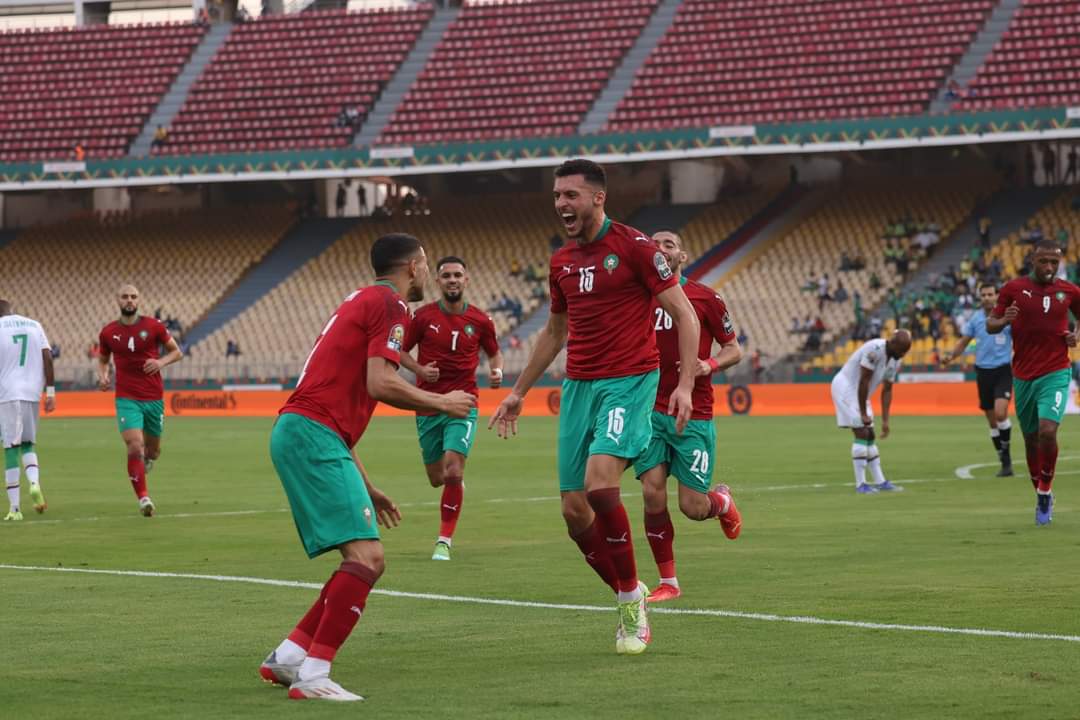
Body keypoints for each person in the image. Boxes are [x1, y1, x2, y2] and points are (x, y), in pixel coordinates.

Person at [488, 159, 702, 655]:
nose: (561, 203)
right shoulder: (561, 260)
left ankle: (629, 603)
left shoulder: (636, 248)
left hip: (629, 381)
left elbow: (685, 315)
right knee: (573, 510)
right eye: (557, 195)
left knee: (600, 484)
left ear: (598, 198)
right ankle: (630, 591)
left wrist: (686, 384)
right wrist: (518, 391)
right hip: (579, 387)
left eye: (571, 195)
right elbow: (554, 332)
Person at [259, 234, 475, 701]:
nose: (427, 272)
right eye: (426, 264)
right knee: (368, 559)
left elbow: (344, 398)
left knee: (358, 560)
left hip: (306, 432)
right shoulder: (392, 305)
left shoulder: (360, 300)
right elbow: (381, 382)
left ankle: (290, 656)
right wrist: (442, 403)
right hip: (313, 433)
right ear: (414, 267)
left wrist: (369, 487)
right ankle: (314, 675)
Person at [633, 231, 743, 603]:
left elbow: (734, 349)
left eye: (669, 244)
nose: (661, 248)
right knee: (651, 491)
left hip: (694, 413)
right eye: (654, 243)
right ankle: (669, 582)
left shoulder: (706, 298)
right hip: (650, 411)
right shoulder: (638, 298)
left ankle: (722, 502)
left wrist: (707, 365)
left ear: (682, 255)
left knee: (693, 508)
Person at [398, 256, 503, 560]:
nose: (453, 280)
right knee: (437, 477)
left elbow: (494, 354)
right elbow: (399, 351)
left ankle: (443, 541)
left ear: (466, 280)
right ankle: (454, 485)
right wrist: (419, 369)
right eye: (447, 276)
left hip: (463, 403)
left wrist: (496, 370)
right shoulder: (423, 317)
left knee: (454, 469)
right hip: (428, 403)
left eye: (458, 275)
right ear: (438, 281)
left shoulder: (481, 320)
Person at [987, 239, 1080, 525]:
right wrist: (1004, 320)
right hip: (1023, 375)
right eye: (1044, 261)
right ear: (1033, 261)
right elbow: (991, 324)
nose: (1050, 267)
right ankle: (1040, 492)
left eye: (1054, 262)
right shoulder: (1013, 289)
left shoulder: (1070, 291)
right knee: (1030, 439)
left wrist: (1076, 335)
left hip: (1056, 371)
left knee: (1047, 431)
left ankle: (1044, 491)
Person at [97, 284, 184, 516]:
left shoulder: (154, 326)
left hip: (153, 397)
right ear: (117, 300)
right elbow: (103, 359)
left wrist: (160, 362)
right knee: (135, 445)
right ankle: (144, 498)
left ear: (139, 300)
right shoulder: (108, 332)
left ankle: (146, 460)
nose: (129, 300)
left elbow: (177, 352)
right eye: (125, 296)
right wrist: (103, 376)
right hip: (126, 398)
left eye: (133, 297)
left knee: (153, 451)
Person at [942, 282, 1013, 479]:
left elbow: (1021, 337)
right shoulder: (975, 319)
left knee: (1000, 413)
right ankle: (1003, 459)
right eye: (983, 295)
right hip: (983, 373)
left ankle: (1007, 458)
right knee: (992, 422)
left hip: (1003, 370)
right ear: (980, 297)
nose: (987, 298)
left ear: (997, 296)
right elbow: (963, 342)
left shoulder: (1006, 317)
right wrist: (951, 356)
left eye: (990, 294)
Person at [830, 330, 912, 494]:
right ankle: (861, 485)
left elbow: (887, 389)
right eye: (902, 350)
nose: (903, 354)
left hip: (861, 393)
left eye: (906, 351)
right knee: (862, 432)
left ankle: (880, 482)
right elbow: (864, 380)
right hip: (846, 388)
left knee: (870, 435)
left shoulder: (895, 360)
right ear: (892, 344)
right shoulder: (874, 350)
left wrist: (886, 421)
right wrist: (863, 413)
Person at [0, 301, 55, 521]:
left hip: (8, 394)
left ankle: (14, 509)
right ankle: (34, 483)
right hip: (32, 393)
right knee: (28, 444)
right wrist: (50, 392)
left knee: (11, 448)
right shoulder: (34, 325)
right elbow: (48, 358)